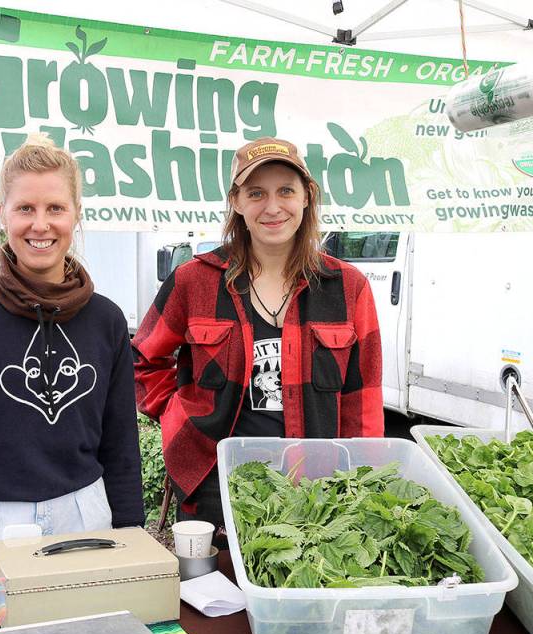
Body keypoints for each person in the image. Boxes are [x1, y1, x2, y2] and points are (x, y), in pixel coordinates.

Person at [0, 134, 144, 582]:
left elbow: (121, 442)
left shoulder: (106, 319)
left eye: (55, 208)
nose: (41, 225)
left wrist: (131, 534)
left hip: (86, 516)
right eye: (25, 209)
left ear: (76, 213)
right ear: (2, 214)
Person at [132, 137, 383, 543]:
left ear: (307, 197)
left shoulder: (347, 288)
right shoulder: (193, 281)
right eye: (256, 193)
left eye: (286, 190)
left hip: (318, 491)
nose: (272, 207)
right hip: (214, 485)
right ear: (236, 201)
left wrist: (364, 481)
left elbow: (362, 400)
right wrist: (178, 416)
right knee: (213, 600)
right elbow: (143, 359)